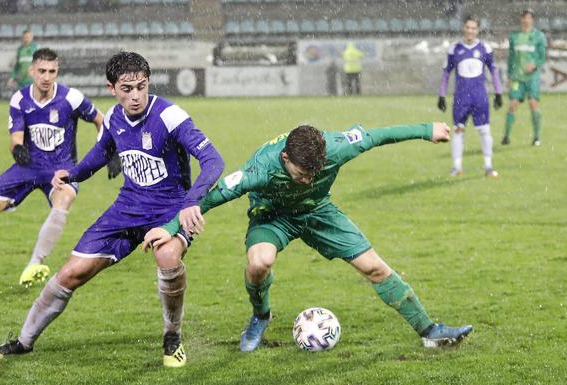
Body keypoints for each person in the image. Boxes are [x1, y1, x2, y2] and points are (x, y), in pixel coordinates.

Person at [0, 52, 224, 368]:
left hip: (171, 210)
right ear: (112, 88)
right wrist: (74, 173)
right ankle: (23, 342)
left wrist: (192, 201)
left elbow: (213, 160)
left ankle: (171, 336)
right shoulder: (113, 118)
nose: (135, 96)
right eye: (126, 88)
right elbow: (102, 151)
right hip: (126, 209)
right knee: (70, 272)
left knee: (167, 256)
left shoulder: (170, 116)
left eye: (141, 86)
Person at [145, 122, 473, 352]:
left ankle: (430, 331)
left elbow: (376, 136)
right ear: (286, 159)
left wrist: (425, 130)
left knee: (375, 267)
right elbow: (213, 197)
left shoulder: (336, 147)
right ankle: (261, 316)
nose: (307, 180)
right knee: (259, 263)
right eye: (302, 175)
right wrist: (170, 227)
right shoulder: (259, 170)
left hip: (318, 213)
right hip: (273, 215)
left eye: (313, 174)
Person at [0, 48, 114, 287]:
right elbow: (15, 138)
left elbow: (100, 120)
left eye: (52, 71)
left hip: (60, 168)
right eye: (42, 71)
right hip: (28, 167)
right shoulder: (20, 99)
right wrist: (17, 149)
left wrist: (108, 153)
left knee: (64, 198)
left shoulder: (71, 98)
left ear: (57, 72)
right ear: (32, 71)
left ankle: (35, 263)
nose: (46, 77)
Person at [438, 15, 503, 177]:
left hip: (479, 96)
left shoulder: (485, 48)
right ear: (463, 28)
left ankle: (488, 166)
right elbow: (446, 73)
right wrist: (441, 95)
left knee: (484, 131)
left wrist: (498, 92)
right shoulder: (454, 49)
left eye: (473, 28)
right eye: (467, 27)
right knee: (458, 130)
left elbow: (494, 71)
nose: (470, 31)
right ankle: (457, 168)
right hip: (461, 97)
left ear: (478, 30)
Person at [502, 9, 547, 146]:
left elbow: (542, 57)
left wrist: (534, 65)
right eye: (524, 17)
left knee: (533, 104)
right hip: (517, 78)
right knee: (512, 105)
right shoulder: (514, 36)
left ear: (532, 20)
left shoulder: (539, 36)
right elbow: (511, 58)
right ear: (521, 19)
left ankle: (536, 137)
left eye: (529, 17)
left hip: (532, 77)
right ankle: (506, 136)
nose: (526, 20)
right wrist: (509, 76)